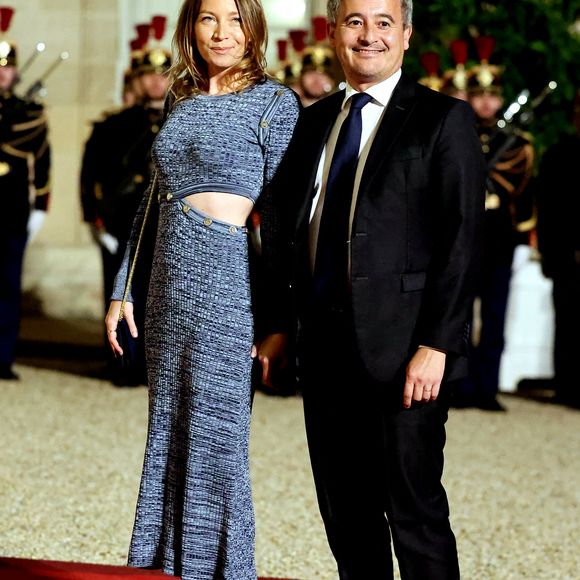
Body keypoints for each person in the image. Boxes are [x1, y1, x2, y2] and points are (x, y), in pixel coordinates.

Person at [258, 0, 486, 577]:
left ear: (406, 35)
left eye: (383, 22)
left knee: (414, 513)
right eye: (354, 21)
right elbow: (284, 230)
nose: (369, 36)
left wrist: (438, 344)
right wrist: (281, 325)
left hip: (405, 354)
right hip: (325, 347)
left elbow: (463, 241)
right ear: (333, 31)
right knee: (346, 515)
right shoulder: (311, 123)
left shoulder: (442, 120)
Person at [104, 0, 300, 577]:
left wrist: (280, 322)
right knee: (168, 427)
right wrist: (123, 289)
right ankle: (166, 563)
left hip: (230, 283)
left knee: (220, 441)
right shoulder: (180, 99)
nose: (222, 31)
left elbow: (289, 224)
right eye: (209, 17)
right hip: (167, 285)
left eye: (237, 18)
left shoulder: (274, 104)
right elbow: (151, 202)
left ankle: (221, 570)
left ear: (255, 28)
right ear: (191, 25)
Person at [81, 22, 171, 386]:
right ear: (136, 80)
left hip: (162, 221)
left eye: (161, 75)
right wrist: (95, 221)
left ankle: (154, 368)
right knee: (118, 295)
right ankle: (122, 364)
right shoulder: (113, 126)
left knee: (158, 297)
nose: (155, 83)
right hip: (119, 222)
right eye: (147, 75)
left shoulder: (176, 121)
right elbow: (90, 176)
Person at [455, 35, 536, 411]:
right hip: (462, 240)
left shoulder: (517, 145)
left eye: (492, 95)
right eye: (478, 95)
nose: (486, 101)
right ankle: (458, 386)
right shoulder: (455, 137)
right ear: (468, 97)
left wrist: (523, 240)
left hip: (500, 242)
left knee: (495, 316)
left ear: (500, 99)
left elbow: (522, 197)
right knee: (458, 318)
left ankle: (486, 387)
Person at [0, 6, 51, 381]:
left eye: (6, 67)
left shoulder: (28, 112)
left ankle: (2, 358)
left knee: (6, 289)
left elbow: (43, 165)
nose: (2, 73)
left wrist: (40, 209)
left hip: (11, 211)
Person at [535, 90, 580, 409]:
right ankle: (567, 387)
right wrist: (551, 256)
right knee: (567, 324)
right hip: (567, 256)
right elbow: (547, 211)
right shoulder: (557, 156)